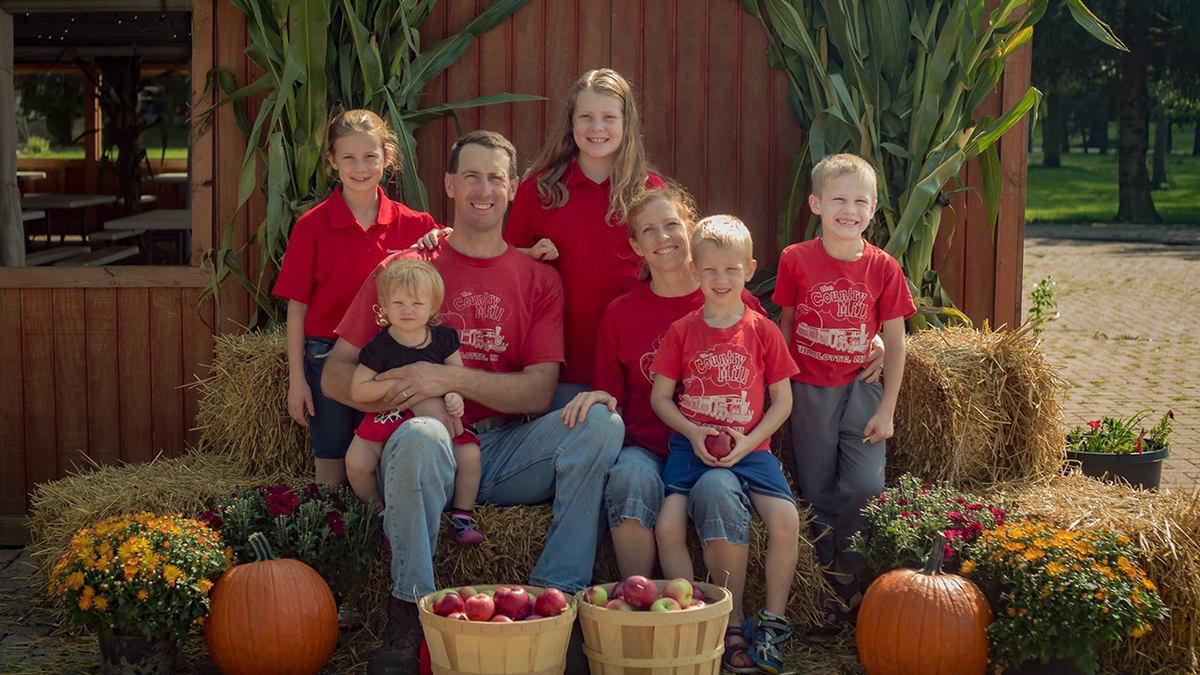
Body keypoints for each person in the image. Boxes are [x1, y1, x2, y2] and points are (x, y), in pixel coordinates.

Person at [319, 130, 623, 675]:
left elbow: (537, 390)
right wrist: (409, 390)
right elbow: (336, 373)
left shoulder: (538, 278)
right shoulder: (406, 271)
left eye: (496, 178)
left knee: (602, 425)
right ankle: (410, 609)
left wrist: (442, 375)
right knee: (422, 435)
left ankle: (558, 605)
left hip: (503, 452)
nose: (484, 189)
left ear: (511, 190)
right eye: (472, 176)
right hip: (421, 447)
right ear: (450, 183)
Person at [650, 215, 801, 675]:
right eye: (711, 270)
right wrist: (692, 431)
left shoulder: (763, 331)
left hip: (751, 450)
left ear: (750, 269)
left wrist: (752, 440)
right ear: (695, 271)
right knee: (668, 526)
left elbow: (783, 401)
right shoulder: (682, 331)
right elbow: (660, 397)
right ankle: (696, 613)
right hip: (692, 448)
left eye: (731, 269)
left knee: (787, 521)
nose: (721, 279)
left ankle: (772, 620)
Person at [773, 153, 916, 626]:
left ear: (873, 209)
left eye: (860, 201)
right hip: (809, 389)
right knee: (815, 488)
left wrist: (888, 410)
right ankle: (828, 586)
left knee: (864, 485)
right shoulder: (796, 259)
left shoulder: (883, 268)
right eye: (838, 199)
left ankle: (852, 571)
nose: (848, 210)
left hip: (862, 389)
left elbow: (895, 343)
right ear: (816, 203)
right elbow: (786, 326)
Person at [273, 109, 444, 486]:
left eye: (370, 156)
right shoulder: (311, 227)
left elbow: (466, 253)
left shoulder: (415, 224)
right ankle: (332, 538)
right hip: (327, 357)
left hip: (393, 357)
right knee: (332, 464)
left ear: (387, 157)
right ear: (333, 162)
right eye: (348, 157)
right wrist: (296, 381)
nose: (360, 167)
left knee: (384, 464)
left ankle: (379, 537)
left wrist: (438, 242)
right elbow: (297, 309)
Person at [504, 69, 666, 408]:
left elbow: (676, 271)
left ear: (626, 123)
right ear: (571, 122)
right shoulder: (539, 190)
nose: (597, 128)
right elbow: (506, 265)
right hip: (560, 365)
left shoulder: (649, 192)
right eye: (586, 117)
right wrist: (529, 254)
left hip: (636, 363)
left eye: (609, 117)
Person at [345, 259, 484, 545]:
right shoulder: (379, 346)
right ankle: (382, 512)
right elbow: (358, 390)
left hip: (438, 416)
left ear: (433, 307)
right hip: (392, 413)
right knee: (356, 463)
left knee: (470, 457)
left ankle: (461, 517)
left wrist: (455, 396)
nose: (407, 310)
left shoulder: (444, 339)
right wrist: (400, 386)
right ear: (384, 305)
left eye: (417, 304)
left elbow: (457, 377)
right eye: (398, 303)